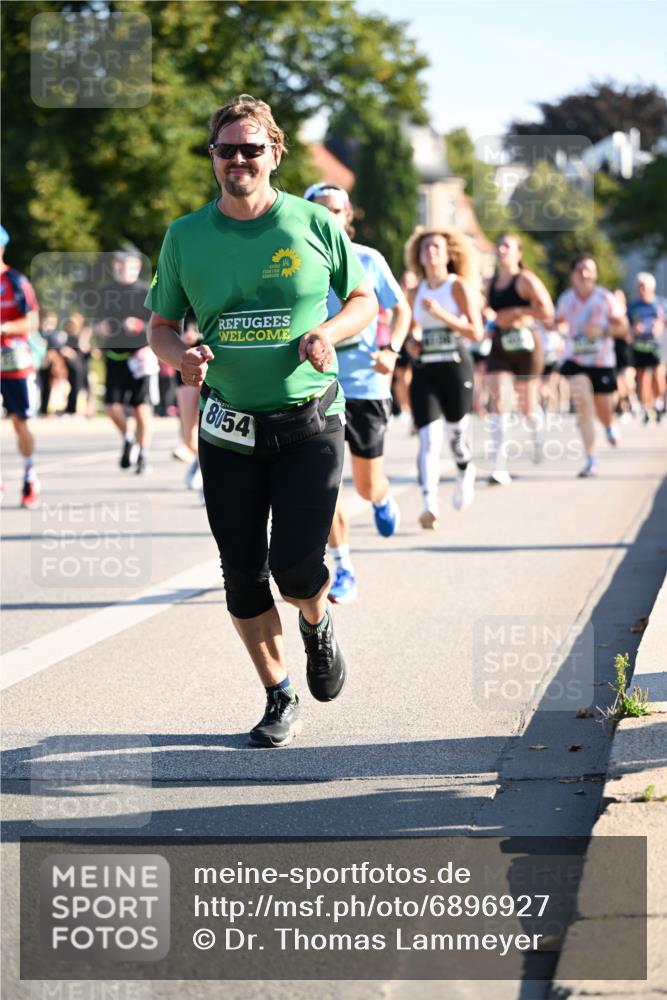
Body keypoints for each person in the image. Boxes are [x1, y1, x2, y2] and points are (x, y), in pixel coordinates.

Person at [146, 95, 376, 748]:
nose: (238, 160)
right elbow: (160, 326)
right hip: (228, 428)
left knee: (296, 568)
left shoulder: (313, 222)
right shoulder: (185, 236)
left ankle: (316, 621)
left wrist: (329, 333)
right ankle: (278, 693)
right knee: (242, 573)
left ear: (274, 153)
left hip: (309, 420)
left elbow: (362, 299)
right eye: (226, 150)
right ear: (213, 157)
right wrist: (182, 356)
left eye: (251, 148)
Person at [304, 182, 410, 604]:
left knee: (365, 486)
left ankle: (381, 497)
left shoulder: (367, 259)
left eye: (336, 210)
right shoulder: (295, 263)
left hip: (366, 382)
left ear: (347, 216)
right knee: (323, 483)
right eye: (320, 210)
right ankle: (343, 565)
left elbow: (400, 309)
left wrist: (392, 349)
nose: (329, 217)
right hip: (317, 383)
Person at [404, 227, 483, 528]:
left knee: (455, 438)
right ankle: (429, 504)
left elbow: (476, 332)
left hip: (455, 367)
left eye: (437, 246)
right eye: (426, 247)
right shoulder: (415, 291)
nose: (431, 251)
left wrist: (442, 315)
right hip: (426, 370)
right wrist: (413, 342)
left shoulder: (456, 286)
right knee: (428, 438)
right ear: (419, 255)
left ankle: (465, 470)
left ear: (448, 254)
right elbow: (411, 330)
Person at [485, 234, 554, 483]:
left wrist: (517, 311)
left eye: (507, 246)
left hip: (527, 346)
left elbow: (547, 310)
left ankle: (537, 430)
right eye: (499, 246)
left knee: (526, 406)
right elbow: (485, 308)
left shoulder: (525, 280)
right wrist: (488, 315)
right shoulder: (490, 283)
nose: (501, 250)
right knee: (499, 401)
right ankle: (499, 466)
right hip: (500, 346)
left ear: (519, 253)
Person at [555, 255, 628, 478]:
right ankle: (591, 460)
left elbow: (623, 327)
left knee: (603, 408)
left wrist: (603, 331)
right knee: (584, 407)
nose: (585, 274)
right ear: (573, 275)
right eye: (580, 270)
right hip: (575, 360)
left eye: (589, 270)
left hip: (601, 361)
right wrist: (557, 330)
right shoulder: (566, 299)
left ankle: (609, 425)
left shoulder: (605, 298)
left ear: (595, 274)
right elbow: (557, 323)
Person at [95, 248, 156, 474]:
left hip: (140, 355)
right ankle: (128, 438)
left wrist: (140, 326)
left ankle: (143, 455)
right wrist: (99, 328)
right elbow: (96, 321)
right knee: (111, 406)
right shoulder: (105, 291)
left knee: (141, 408)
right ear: (114, 267)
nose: (123, 269)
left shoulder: (145, 291)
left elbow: (159, 324)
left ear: (137, 267)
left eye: (129, 265)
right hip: (114, 355)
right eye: (119, 265)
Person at [0, 224, 41, 507]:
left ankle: (29, 473)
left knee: (19, 421)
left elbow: (32, 320)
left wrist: (4, 328)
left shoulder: (15, 280)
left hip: (13, 360)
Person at [627, 272, 665, 424]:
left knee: (658, 375)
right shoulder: (633, 306)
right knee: (642, 378)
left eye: (644, 287)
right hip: (639, 346)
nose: (641, 290)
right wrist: (634, 329)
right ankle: (647, 408)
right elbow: (625, 326)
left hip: (657, 345)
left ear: (652, 287)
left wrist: (660, 326)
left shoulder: (661, 304)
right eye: (639, 287)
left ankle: (659, 403)